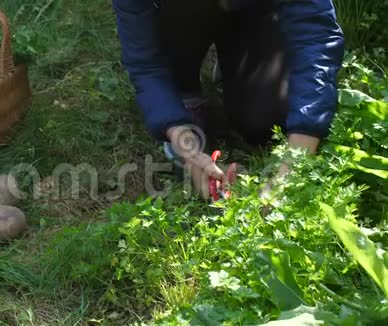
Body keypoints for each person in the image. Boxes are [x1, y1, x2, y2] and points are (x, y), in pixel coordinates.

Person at [112, 0, 345, 199]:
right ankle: (184, 90)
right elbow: (146, 63)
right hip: (179, 17)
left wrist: (294, 164)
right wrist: (184, 144)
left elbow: (315, 35)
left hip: (254, 13)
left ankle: (238, 62)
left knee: (265, 119)